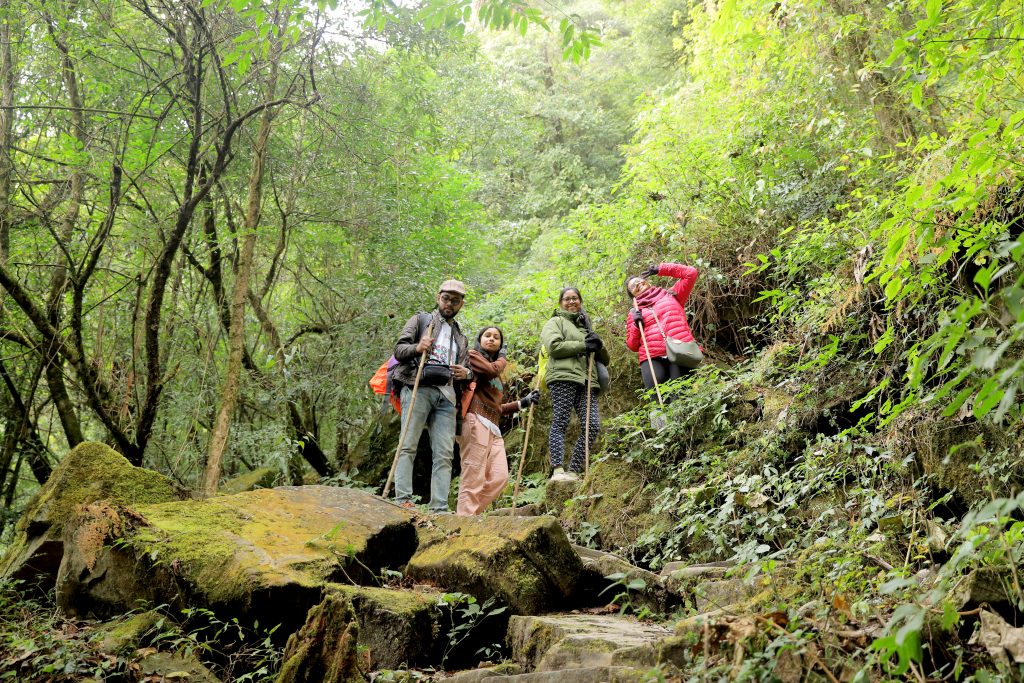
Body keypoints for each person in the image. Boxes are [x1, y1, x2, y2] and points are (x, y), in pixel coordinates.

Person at [391, 279, 472, 513]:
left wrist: (466, 373)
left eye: (455, 300)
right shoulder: (420, 320)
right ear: (438, 298)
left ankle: (439, 507)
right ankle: (403, 499)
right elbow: (399, 350)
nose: (450, 303)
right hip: (418, 386)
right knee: (407, 444)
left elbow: (467, 369)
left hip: (447, 395)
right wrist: (417, 347)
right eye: (446, 298)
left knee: (445, 453)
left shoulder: (460, 337)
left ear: (461, 304)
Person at [457, 326, 541, 515]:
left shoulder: (496, 374)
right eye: (487, 336)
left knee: (499, 477)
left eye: (496, 337)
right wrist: (503, 357)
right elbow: (490, 370)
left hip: (493, 428)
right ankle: (465, 521)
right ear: (479, 340)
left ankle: (468, 515)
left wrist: (522, 403)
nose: (492, 339)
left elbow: (497, 407)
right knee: (474, 475)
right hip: (475, 420)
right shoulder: (473, 356)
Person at [540, 287, 610, 481]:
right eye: (567, 299)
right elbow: (553, 347)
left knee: (593, 425)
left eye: (575, 298)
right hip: (564, 376)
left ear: (580, 301)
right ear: (560, 303)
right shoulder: (555, 322)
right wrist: (582, 345)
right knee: (561, 421)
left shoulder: (586, 327)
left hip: (587, 380)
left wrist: (598, 343)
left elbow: (604, 359)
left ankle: (574, 470)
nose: (571, 302)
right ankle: (557, 469)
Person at [624, 262, 700, 391]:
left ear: (647, 281)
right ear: (633, 295)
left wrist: (661, 269)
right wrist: (636, 326)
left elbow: (691, 273)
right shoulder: (634, 313)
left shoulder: (671, 295)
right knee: (656, 396)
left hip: (680, 348)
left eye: (639, 281)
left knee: (681, 392)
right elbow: (632, 345)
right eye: (633, 286)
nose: (637, 284)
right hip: (652, 356)